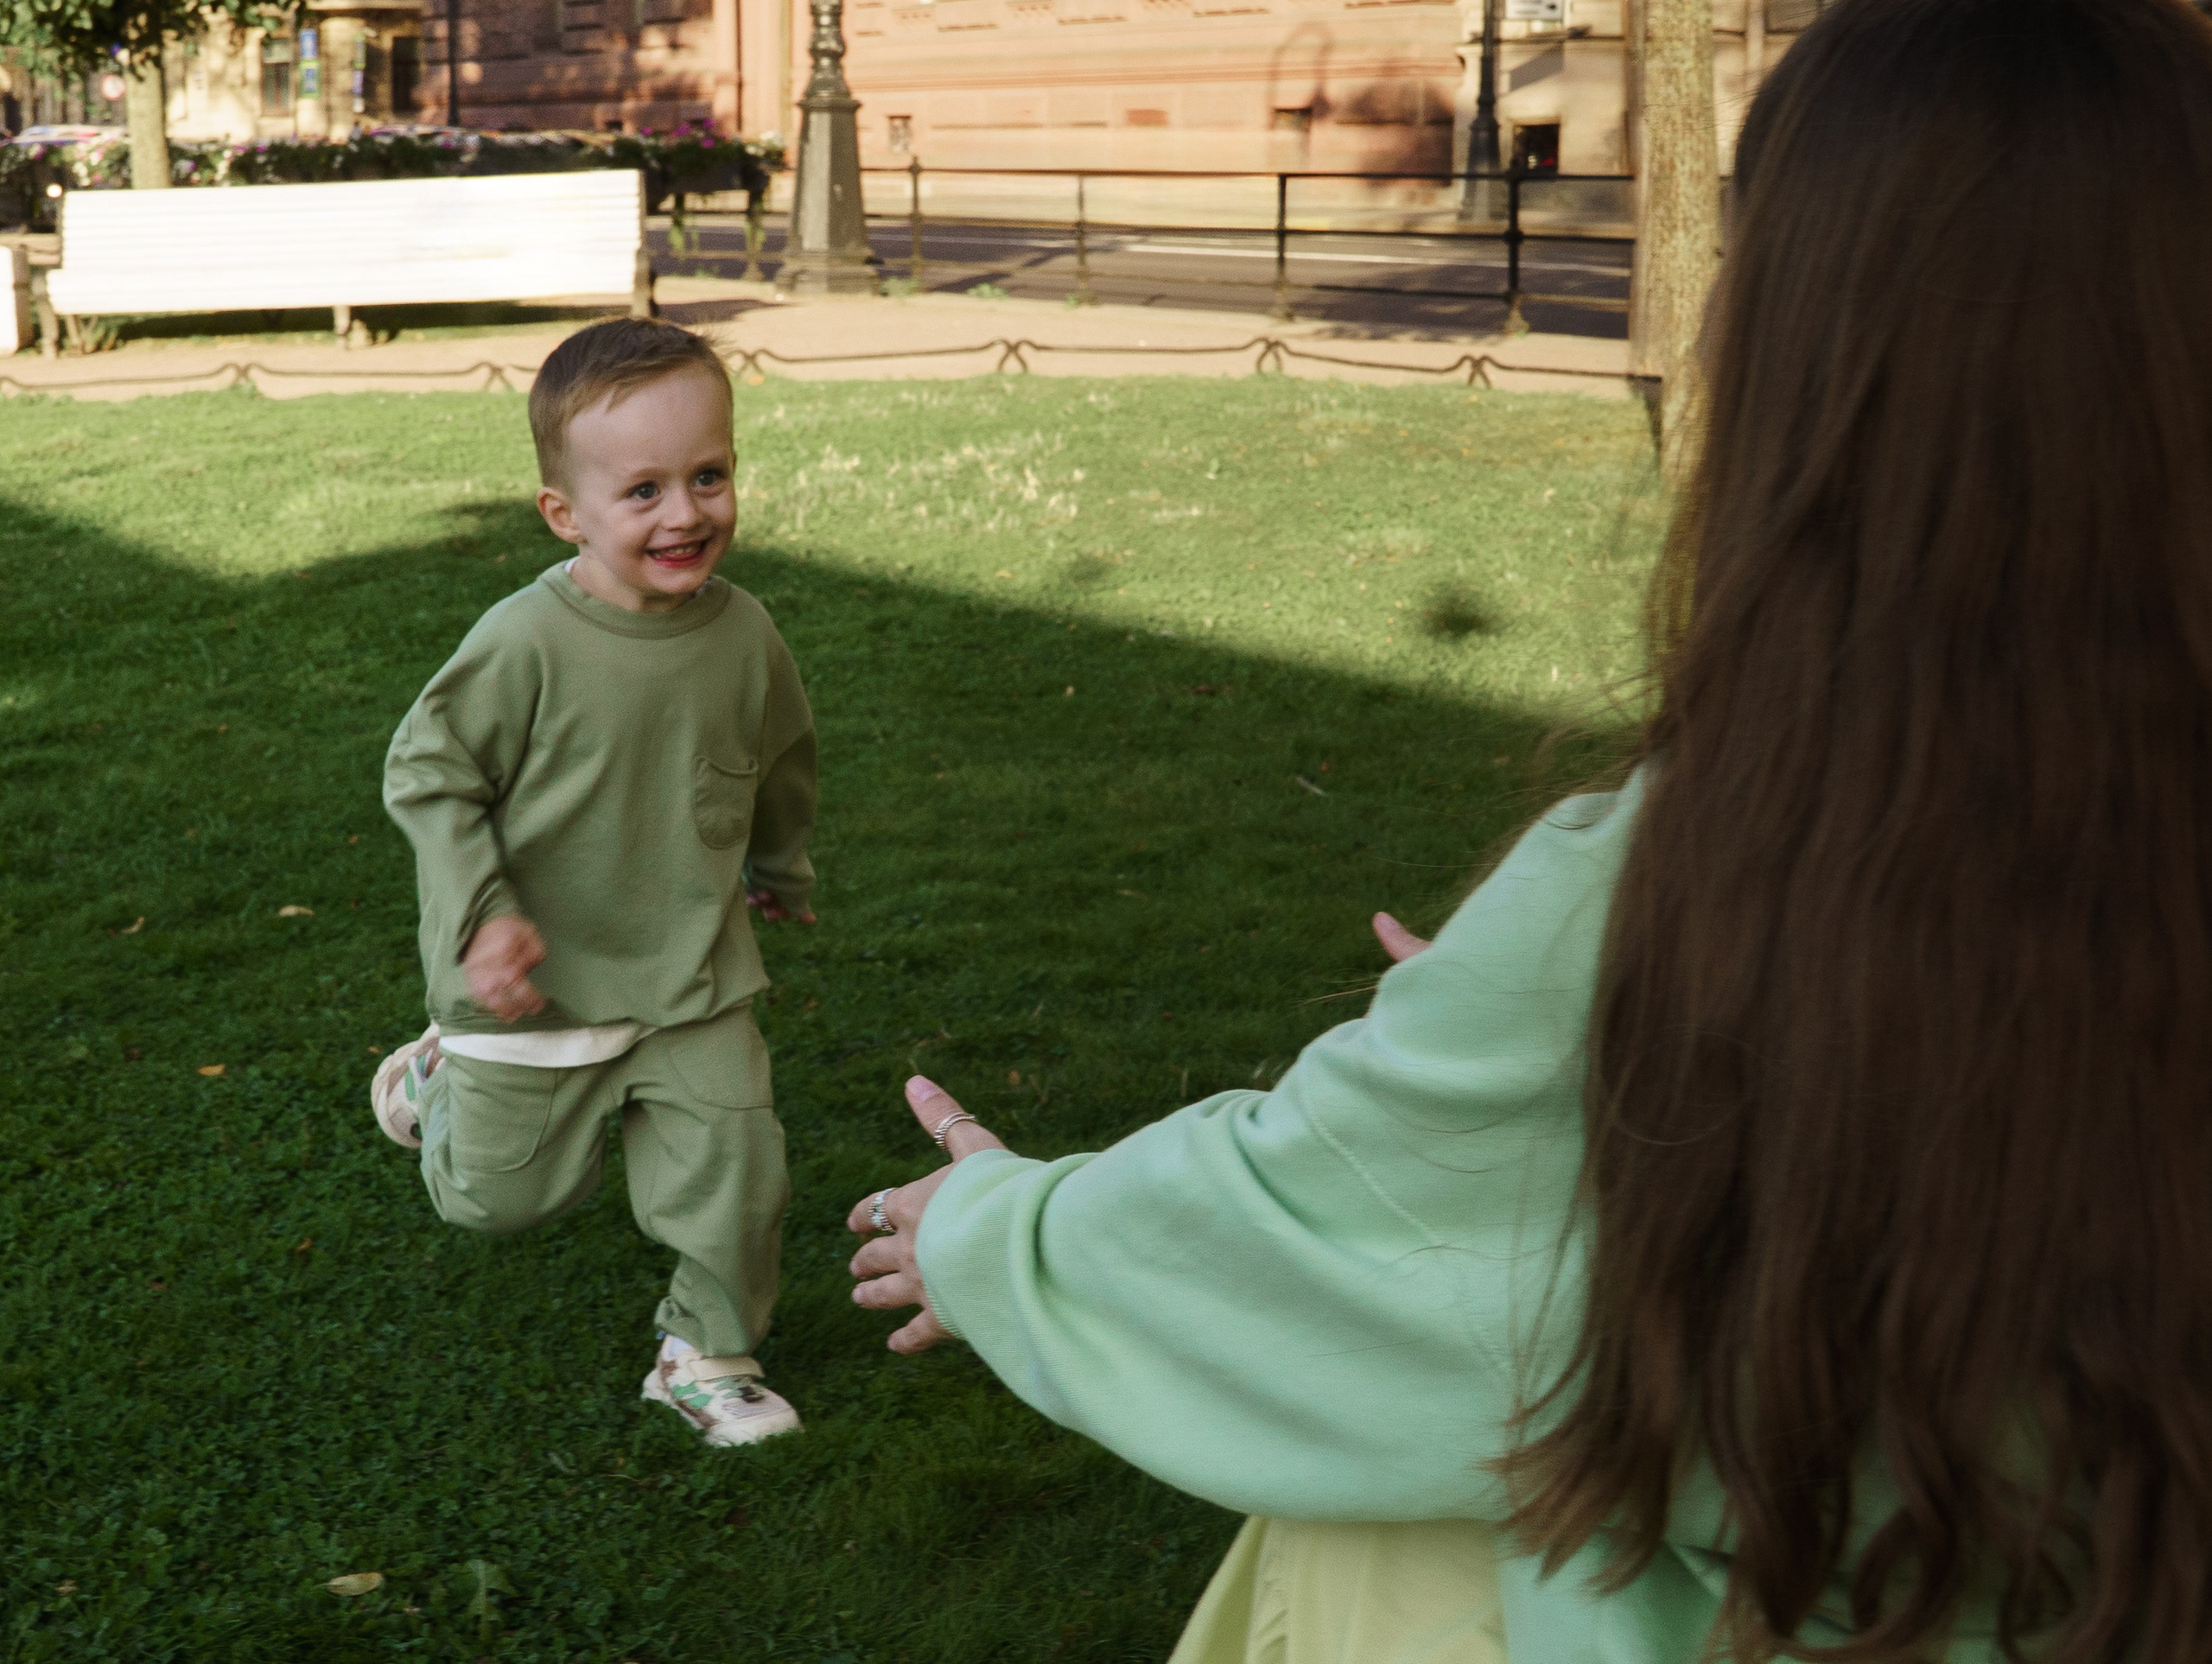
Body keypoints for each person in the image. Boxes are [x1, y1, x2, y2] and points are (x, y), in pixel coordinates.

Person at [845, 0, 2212, 1657]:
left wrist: (1002, 1227)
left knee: (1371, 1553)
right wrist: (1561, 1047)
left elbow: (1317, 1247)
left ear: (1808, 357)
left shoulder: (1684, 889)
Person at [374, 317, 818, 1448]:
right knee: (498, 1196)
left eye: (709, 475)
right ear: (564, 514)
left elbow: (777, 758)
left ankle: (705, 1353)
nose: (687, 513)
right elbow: (429, 772)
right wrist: (484, 918)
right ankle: (435, 1082)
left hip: (692, 966)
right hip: (538, 973)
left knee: (740, 1160)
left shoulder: (747, 633)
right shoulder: (525, 640)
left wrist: (777, 864)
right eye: (645, 491)